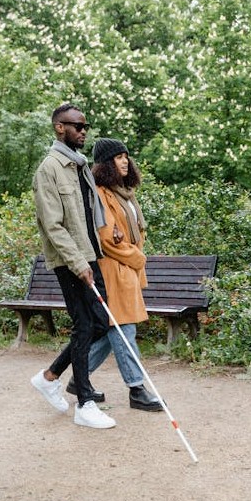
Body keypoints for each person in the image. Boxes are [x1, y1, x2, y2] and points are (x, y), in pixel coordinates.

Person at [29, 103, 116, 429]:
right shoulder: (48, 170)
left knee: (99, 322)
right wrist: (78, 262)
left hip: (89, 257)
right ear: (59, 128)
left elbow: (85, 216)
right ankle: (85, 403)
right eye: (77, 126)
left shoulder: (79, 166)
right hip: (70, 261)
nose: (83, 131)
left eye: (85, 126)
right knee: (85, 325)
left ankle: (50, 377)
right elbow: (53, 226)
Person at [64, 138, 163, 412]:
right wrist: (138, 257)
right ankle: (137, 389)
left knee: (113, 332)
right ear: (105, 164)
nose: (124, 161)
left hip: (126, 271)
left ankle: (77, 378)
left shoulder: (125, 192)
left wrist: (132, 254)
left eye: (125, 156)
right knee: (124, 329)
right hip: (113, 270)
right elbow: (108, 238)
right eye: (117, 157)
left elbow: (130, 233)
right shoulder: (101, 194)